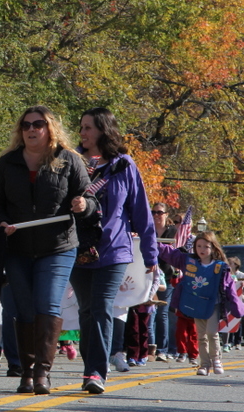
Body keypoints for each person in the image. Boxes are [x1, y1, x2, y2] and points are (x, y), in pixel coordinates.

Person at [0, 105, 96, 395]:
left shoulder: (70, 160)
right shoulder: (8, 162)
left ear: (50, 129)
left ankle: (42, 374)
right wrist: (0, 221)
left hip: (57, 247)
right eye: (26, 125)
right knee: (22, 309)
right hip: (17, 246)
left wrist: (83, 206)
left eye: (38, 124)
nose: (31, 129)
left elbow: (89, 201)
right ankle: (25, 370)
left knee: (47, 304)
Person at [69, 107, 157, 395]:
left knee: (100, 308)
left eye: (88, 127)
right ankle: (89, 366)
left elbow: (141, 212)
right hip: (79, 247)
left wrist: (150, 252)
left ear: (104, 130)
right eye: (81, 127)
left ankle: (96, 371)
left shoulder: (124, 165)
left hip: (113, 249)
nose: (82, 132)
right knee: (85, 311)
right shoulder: (72, 162)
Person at [158, 231, 244, 376]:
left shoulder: (220, 267)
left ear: (213, 248)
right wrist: (152, 243)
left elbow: (229, 287)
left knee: (212, 332)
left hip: (213, 305)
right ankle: (204, 365)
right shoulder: (189, 261)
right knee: (201, 335)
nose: (202, 250)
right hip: (196, 304)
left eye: (206, 246)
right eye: (199, 246)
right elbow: (171, 254)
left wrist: (237, 306)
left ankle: (216, 359)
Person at [151, 202, 177, 361]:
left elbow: (179, 251)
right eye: (153, 212)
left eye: (159, 212)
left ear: (166, 215)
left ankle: (162, 349)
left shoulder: (173, 232)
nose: (156, 215)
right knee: (148, 313)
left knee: (162, 313)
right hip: (147, 275)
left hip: (165, 278)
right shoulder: (147, 229)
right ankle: (148, 348)